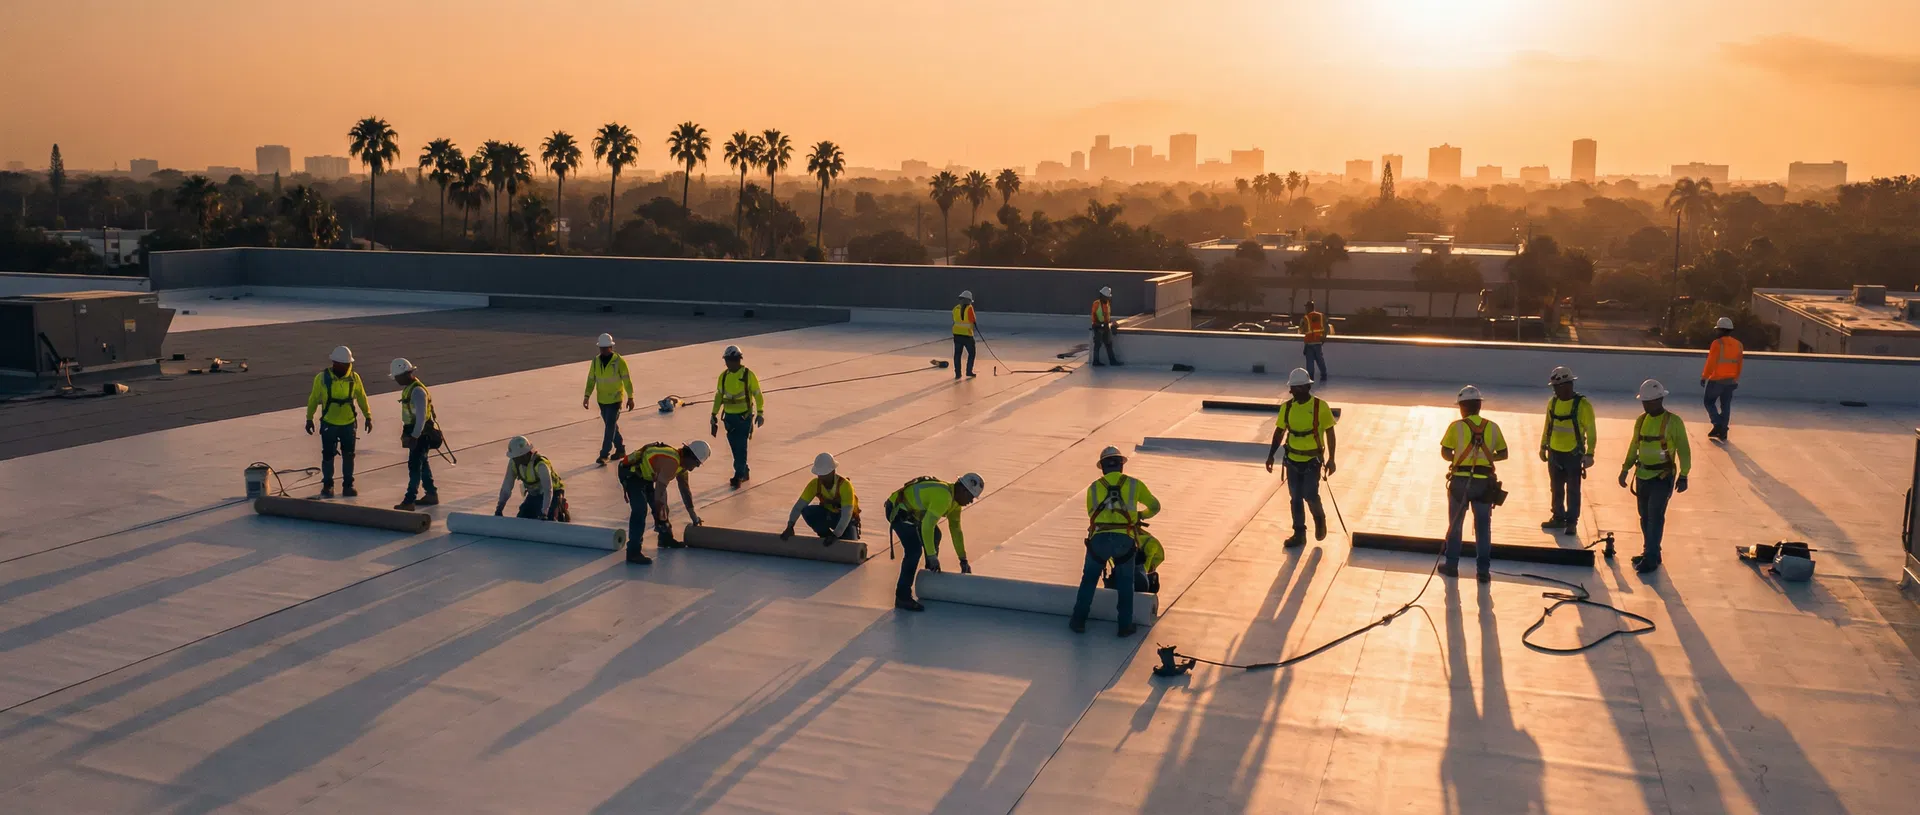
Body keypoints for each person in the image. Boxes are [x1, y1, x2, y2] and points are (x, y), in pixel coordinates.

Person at [1071, 446, 1159, 637]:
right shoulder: (1135, 484)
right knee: (1126, 583)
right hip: (1124, 540)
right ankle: (1124, 626)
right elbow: (1155, 506)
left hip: (1098, 540)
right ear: (1121, 465)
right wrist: (1139, 516)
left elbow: (1091, 513)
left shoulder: (1094, 487)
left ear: (1102, 467)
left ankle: (1078, 621)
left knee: (1089, 581)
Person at [1620, 379, 1691, 574]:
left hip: (1662, 477)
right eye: (1643, 402)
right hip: (1642, 475)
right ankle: (1651, 551)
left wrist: (1684, 475)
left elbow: (1684, 450)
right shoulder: (1641, 420)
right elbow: (1634, 445)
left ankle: (1650, 558)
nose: (1645, 405)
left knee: (1655, 516)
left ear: (1659, 400)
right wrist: (1625, 468)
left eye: (1648, 402)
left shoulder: (1673, 422)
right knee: (1644, 516)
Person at [885, 473, 984, 611]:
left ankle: (928, 580)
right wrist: (932, 556)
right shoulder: (943, 496)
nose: (971, 501)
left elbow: (956, 530)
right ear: (963, 490)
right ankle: (902, 596)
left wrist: (963, 559)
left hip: (914, 512)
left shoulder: (955, 503)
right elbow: (927, 526)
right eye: (971, 497)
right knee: (914, 551)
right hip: (898, 510)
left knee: (936, 535)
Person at [1439, 385, 1508, 580]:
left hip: (1460, 482)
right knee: (1483, 528)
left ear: (1462, 407)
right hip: (1484, 484)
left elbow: (1445, 452)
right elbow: (1503, 453)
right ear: (1479, 406)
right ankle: (1483, 571)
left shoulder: (1456, 427)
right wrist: (1487, 459)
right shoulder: (1493, 427)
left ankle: (1451, 566)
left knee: (1455, 525)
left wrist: (1459, 459)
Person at [1266, 367, 1338, 547]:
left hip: (1312, 461)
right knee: (1295, 498)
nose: (1293, 392)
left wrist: (1331, 459)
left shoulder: (1320, 407)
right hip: (1292, 460)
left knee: (1310, 494)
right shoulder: (1287, 408)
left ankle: (1319, 519)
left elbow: (1330, 432)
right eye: (1292, 388)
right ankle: (1299, 534)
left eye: (1297, 388)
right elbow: (1279, 432)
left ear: (1307, 387)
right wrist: (1271, 455)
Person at [618, 439, 711, 565]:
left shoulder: (682, 465)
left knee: (663, 508)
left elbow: (685, 490)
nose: (696, 467)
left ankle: (665, 539)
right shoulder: (672, 462)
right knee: (640, 510)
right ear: (691, 457)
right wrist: (660, 514)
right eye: (697, 463)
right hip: (631, 474)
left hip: (646, 476)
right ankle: (633, 552)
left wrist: (693, 515)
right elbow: (659, 492)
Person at [304, 345, 372, 499]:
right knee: (328, 455)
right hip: (329, 423)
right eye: (344, 364)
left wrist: (368, 416)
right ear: (335, 363)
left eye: (348, 364)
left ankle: (348, 485)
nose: (347, 366)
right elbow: (313, 398)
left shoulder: (354, 378)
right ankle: (328, 485)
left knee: (349, 455)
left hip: (348, 423)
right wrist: (309, 418)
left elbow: (362, 397)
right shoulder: (322, 378)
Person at [1538, 366, 1596, 536]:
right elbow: (1548, 426)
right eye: (1554, 387)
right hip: (1555, 453)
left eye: (1557, 386)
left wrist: (1590, 453)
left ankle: (1571, 522)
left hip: (1573, 455)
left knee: (1573, 490)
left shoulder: (1583, 405)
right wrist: (1543, 446)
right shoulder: (1553, 403)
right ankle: (1558, 517)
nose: (1555, 390)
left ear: (1568, 385)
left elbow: (1591, 431)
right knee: (1556, 488)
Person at [710, 345, 764, 488]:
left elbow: (757, 394)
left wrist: (760, 412)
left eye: (732, 360)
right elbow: (719, 396)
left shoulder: (748, 375)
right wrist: (713, 414)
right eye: (728, 360)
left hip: (744, 418)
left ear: (739, 360)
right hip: (729, 418)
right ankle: (744, 470)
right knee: (735, 446)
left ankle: (738, 475)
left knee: (741, 446)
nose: (729, 363)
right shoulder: (723, 377)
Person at [390, 358, 440, 511]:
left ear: (404, 374)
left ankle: (409, 500)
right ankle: (431, 494)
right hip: (416, 432)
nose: (396, 380)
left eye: (397, 377)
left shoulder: (417, 391)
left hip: (420, 434)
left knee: (414, 467)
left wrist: (415, 436)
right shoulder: (410, 388)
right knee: (423, 463)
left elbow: (421, 417)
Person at [782, 452, 861, 544]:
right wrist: (790, 526)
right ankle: (825, 535)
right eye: (820, 475)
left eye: (825, 475)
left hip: (846, 519)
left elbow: (847, 514)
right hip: (828, 515)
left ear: (833, 471)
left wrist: (836, 534)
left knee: (850, 545)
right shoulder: (814, 484)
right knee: (808, 511)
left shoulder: (845, 486)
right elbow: (798, 507)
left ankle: (838, 536)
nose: (822, 479)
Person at [583, 333, 635, 464]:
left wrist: (630, 397)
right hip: (602, 400)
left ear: (611, 347)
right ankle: (620, 449)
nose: (603, 350)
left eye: (606, 347)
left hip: (615, 400)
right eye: (601, 348)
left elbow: (627, 380)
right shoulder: (596, 361)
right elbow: (591, 379)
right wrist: (587, 395)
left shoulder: (619, 361)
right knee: (611, 427)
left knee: (609, 427)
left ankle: (604, 454)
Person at [495, 435, 566, 522]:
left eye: (517, 458)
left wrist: (544, 512)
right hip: (534, 494)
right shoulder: (514, 463)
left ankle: (559, 508)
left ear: (525, 455)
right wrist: (500, 507)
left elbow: (548, 490)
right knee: (522, 519)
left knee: (549, 520)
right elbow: (507, 486)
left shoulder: (540, 465)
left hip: (553, 492)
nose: (515, 460)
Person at [1701, 317, 1744, 441]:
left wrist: (1704, 376)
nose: (1716, 332)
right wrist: (1736, 378)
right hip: (1730, 380)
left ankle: (1718, 424)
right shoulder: (1739, 344)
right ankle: (1723, 431)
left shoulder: (1717, 343)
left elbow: (1711, 362)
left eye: (1717, 329)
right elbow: (1739, 364)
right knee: (1726, 406)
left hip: (1716, 380)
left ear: (1721, 330)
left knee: (1709, 402)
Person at [1090, 286, 1122, 366]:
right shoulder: (1096, 304)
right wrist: (1099, 324)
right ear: (1102, 296)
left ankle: (1112, 361)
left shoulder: (1107, 304)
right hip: (1098, 327)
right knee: (1098, 344)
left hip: (1105, 326)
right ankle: (1096, 361)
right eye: (1106, 297)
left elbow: (1107, 316)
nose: (1108, 298)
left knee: (1109, 344)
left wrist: (1112, 322)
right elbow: (1094, 316)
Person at [1301, 300, 1331, 382]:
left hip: (1309, 342)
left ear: (1308, 308)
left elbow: (1302, 330)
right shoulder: (1321, 316)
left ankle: (1311, 378)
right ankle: (1324, 375)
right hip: (1318, 341)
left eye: (1306, 307)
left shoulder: (1305, 318)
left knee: (1310, 361)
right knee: (1320, 360)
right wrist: (1323, 338)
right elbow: (1327, 328)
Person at [952, 291, 978, 379]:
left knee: (957, 354)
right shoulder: (969, 308)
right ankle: (969, 371)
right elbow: (972, 319)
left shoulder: (955, 308)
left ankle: (958, 373)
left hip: (957, 335)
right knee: (972, 353)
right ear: (969, 300)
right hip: (967, 335)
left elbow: (954, 319)